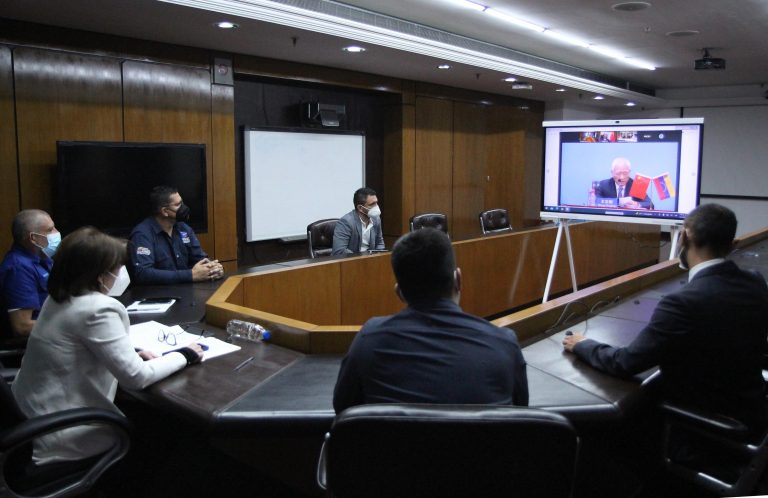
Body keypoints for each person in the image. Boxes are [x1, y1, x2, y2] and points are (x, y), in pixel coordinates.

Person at [563, 203, 768, 436]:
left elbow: (625, 363)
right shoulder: (755, 281)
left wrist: (582, 344)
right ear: (733, 245)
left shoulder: (683, 302)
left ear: (684, 238)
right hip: (753, 412)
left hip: (705, 429)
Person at [12, 227, 204, 465]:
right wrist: (185, 354)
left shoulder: (57, 298)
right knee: (166, 433)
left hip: (29, 415)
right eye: (117, 268)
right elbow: (136, 378)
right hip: (63, 430)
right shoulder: (99, 308)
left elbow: (79, 344)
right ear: (99, 275)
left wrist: (131, 353)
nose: (121, 273)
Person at [333, 228, 528, 413]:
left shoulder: (369, 341)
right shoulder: (504, 344)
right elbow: (520, 417)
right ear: (458, 280)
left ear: (399, 292)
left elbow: (343, 410)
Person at [129, 186, 223, 284]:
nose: (184, 207)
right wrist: (190, 275)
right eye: (178, 204)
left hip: (186, 288)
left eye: (182, 202)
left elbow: (200, 258)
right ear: (165, 211)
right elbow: (143, 273)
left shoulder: (183, 228)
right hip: (157, 291)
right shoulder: (142, 234)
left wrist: (213, 269)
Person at [0, 209, 60, 337]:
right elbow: (22, 326)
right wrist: (67, 325)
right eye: (50, 230)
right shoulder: (18, 268)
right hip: (34, 342)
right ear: (33, 238)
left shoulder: (43, 257)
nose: (57, 233)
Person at [331, 187, 385, 255]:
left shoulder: (376, 219)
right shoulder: (346, 222)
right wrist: (361, 258)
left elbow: (379, 243)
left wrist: (379, 256)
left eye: (376, 203)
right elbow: (339, 251)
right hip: (352, 259)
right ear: (360, 208)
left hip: (370, 259)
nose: (376, 207)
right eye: (372, 204)